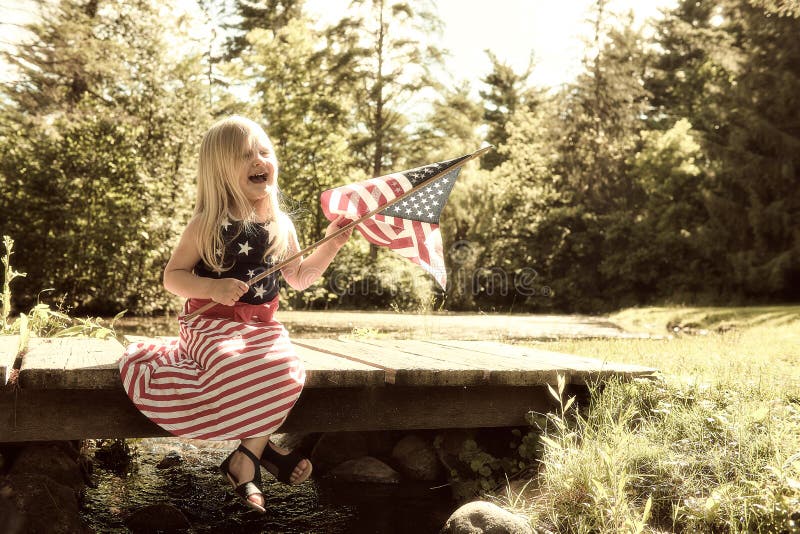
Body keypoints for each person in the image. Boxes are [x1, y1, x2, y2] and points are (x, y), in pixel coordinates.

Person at [119, 115, 352, 513]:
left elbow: (299, 277)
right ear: (220, 171)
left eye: (265, 152)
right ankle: (262, 454)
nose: (260, 160)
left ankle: (245, 457)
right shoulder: (207, 224)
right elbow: (172, 277)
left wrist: (330, 245)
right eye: (246, 155)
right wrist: (212, 288)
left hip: (262, 330)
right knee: (231, 364)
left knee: (285, 367)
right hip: (210, 326)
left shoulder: (282, 225)